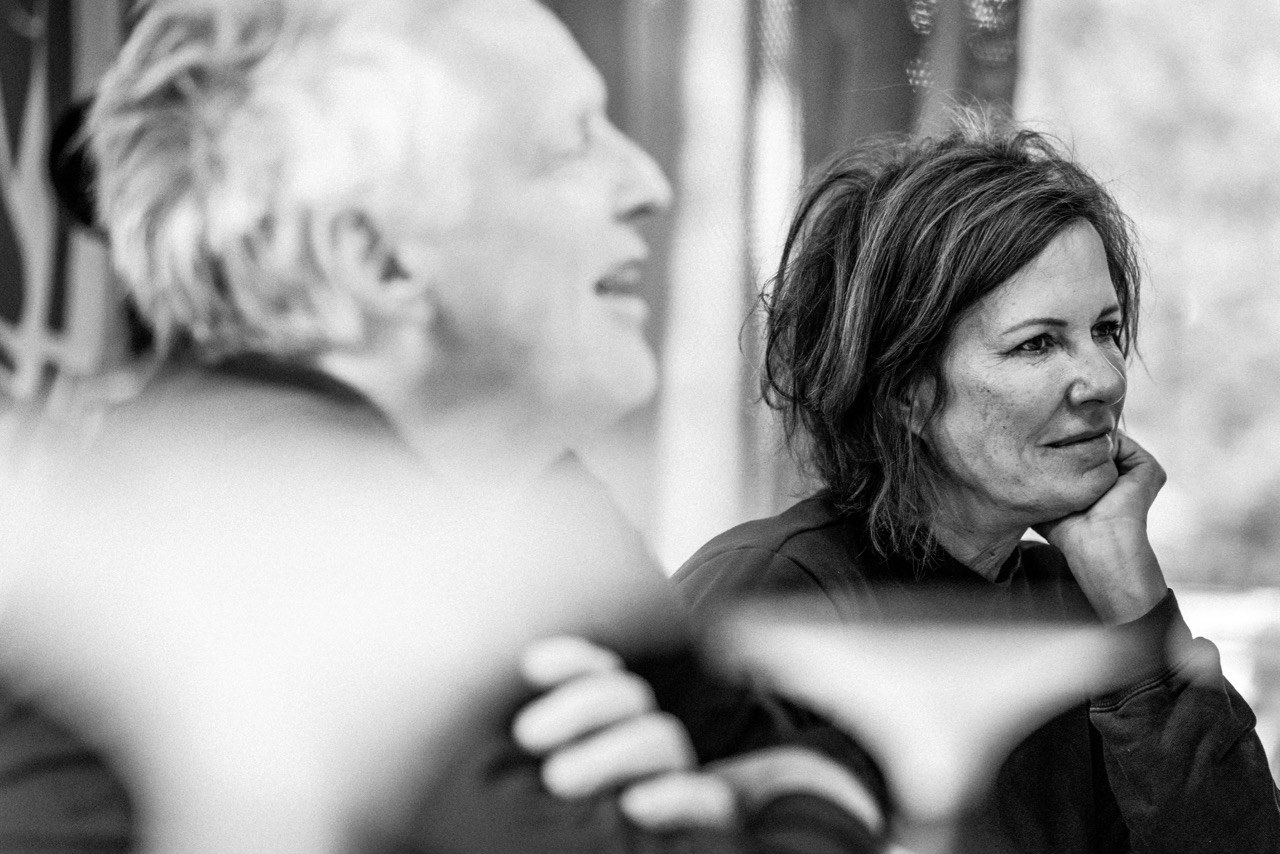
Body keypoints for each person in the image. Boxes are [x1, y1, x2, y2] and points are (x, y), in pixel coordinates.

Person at [0, 0, 884, 850]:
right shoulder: (288, 545)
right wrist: (794, 804)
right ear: (377, 259)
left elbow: (775, 736)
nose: (647, 184)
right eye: (569, 145)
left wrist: (771, 790)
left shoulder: (517, 485)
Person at [675, 119, 1280, 852]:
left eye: (1106, 330)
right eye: (1038, 343)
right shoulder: (767, 593)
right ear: (905, 389)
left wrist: (1135, 603)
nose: (1105, 379)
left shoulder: (1081, 601)